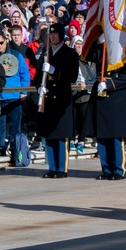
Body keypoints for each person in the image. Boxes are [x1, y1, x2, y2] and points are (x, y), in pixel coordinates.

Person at [36, 22, 80, 177]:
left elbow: (72, 76)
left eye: (56, 33)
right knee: (49, 134)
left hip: (62, 99)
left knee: (61, 135)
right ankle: (52, 167)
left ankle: (61, 168)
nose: (53, 36)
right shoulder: (46, 53)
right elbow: (37, 77)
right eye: (51, 34)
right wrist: (39, 87)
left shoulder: (70, 54)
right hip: (48, 99)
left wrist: (54, 71)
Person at [0, 30, 30, 157]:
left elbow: (25, 74)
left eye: (1, 43)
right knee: (0, 125)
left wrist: (24, 91)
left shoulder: (17, 55)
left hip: (14, 97)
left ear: (6, 42)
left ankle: (16, 148)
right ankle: (0, 147)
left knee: (15, 125)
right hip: (0, 97)